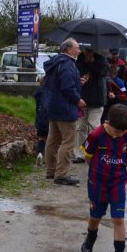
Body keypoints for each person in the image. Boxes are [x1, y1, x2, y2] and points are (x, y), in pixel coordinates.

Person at [80, 104, 127, 252]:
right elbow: (88, 157)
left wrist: (117, 172)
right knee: (95, 216)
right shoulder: (97, 134)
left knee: (118, 219)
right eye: (116, 131)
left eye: (123, 131)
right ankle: (90, 240)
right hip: (97, 183)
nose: (119, 134)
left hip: (117, 183)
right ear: (108, 122)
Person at [43, 38, 87, 185]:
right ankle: (61, 174)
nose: (79, 50)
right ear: (69, 50)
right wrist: (78, 100)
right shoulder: (68, 64)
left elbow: (59, 82)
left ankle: (51, 171)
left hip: (52, 105)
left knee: (53, 139)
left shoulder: (55, 62)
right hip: (65, 108)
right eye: (77, 47)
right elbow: (66, 88)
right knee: (68, 141)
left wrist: (77, 81)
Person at [74, 46, 108, 163]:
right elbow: (77, 72)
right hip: (82, 98)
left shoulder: (101, 59)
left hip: (97, 99)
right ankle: (80, 153)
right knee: (80, 127)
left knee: (94, 126)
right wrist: (85, 62)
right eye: (86, 50)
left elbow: (103, 73)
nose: (88, 52)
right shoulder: (80, 59)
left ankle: (96, 151)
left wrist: (92, 62)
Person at [33, 76, 49, 165]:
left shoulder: (38, 93)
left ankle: (39, 154)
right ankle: (48, 158)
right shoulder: (50, 93)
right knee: (50, 139)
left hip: (40, 118)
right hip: (49, 118)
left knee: (41, 138)